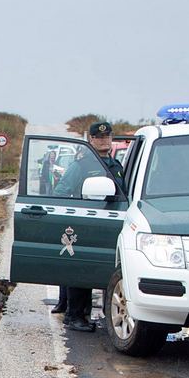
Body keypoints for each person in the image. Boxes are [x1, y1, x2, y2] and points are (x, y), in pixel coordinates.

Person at [56, 121, 127, 330]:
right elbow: (61, 191)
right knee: (81, 268)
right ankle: (74, 315)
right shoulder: (82, 166)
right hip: (86, 222)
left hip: (110, 224)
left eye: (107, 137)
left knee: (107, 267)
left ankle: (103, 313)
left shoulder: (117, 166)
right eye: (99, 138)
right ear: (91, 140)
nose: (104, 141)